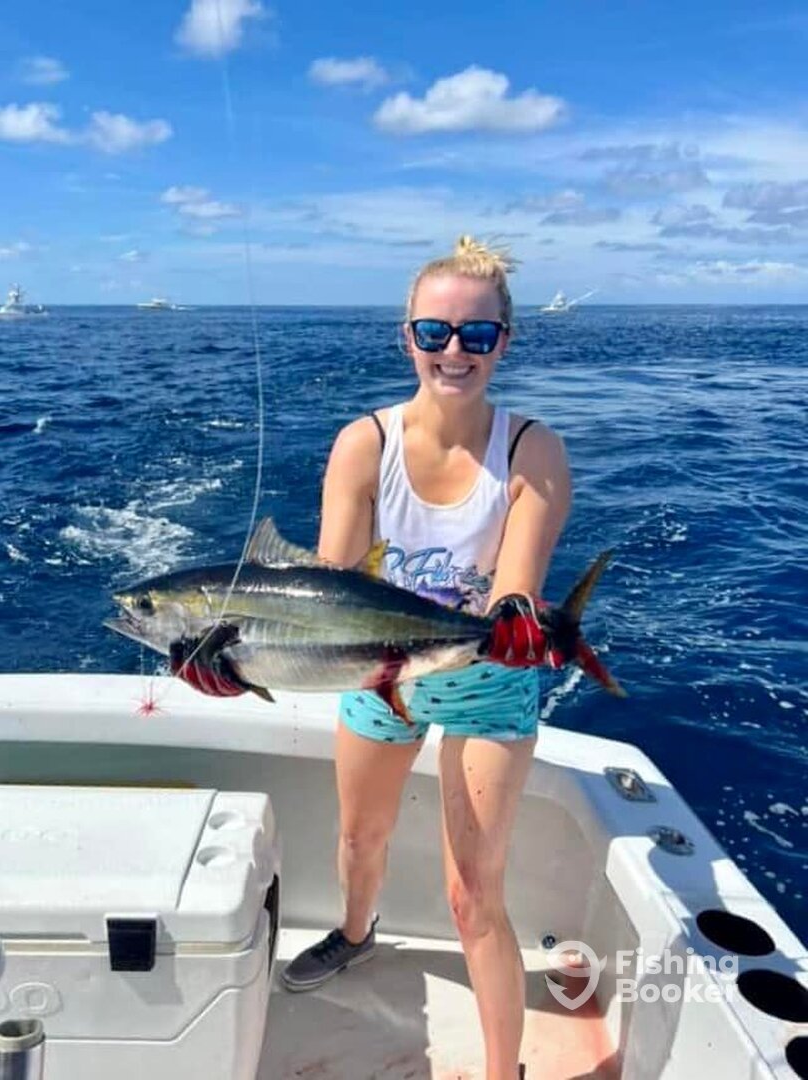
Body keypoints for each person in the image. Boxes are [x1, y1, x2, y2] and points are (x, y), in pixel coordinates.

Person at [175, 236, 572, 1080]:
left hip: (484, 683)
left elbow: (515, 585)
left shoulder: (530, 451)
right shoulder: (365, 444)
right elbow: (330, 590)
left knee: (473, 894)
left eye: (475, 334)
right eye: (434, 332)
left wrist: (512, 619)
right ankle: (356, 933)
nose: (453, 351)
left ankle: (503, 1072)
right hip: (369, 670)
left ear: (504, 341)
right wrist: (240, 665)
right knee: (359, 840)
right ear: (407, 337)